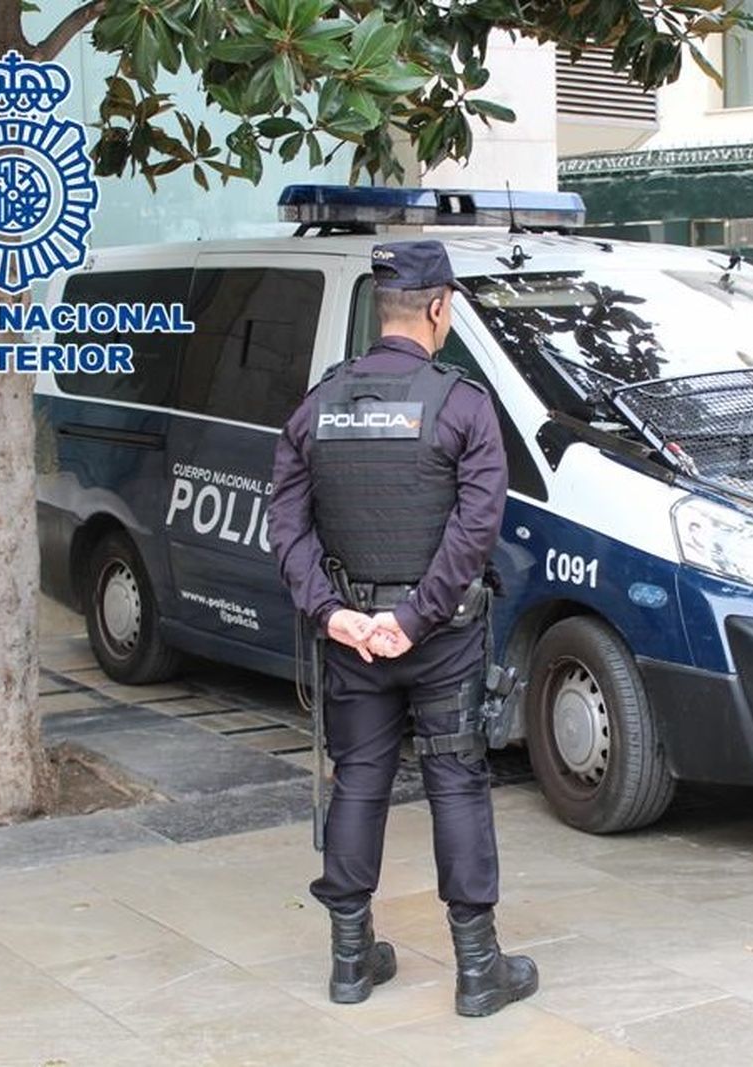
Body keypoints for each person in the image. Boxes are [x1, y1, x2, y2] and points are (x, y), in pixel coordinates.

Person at [269, 239, 538, 1018]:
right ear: (438, 307)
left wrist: (335, 612)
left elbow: (286, 522)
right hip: (441, 636)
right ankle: (479, 970)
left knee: (358, 780)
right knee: (457, 781)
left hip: (352, 636)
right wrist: (414, 617)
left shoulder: (319, 403)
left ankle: (350, 963)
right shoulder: (462, 405)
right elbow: (476, 526)